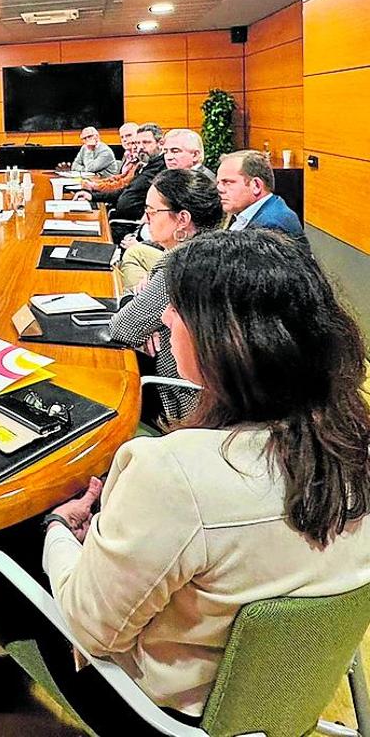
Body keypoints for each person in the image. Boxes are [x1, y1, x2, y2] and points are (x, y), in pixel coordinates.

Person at [38, 229, 370, 735]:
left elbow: (90, 631)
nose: (166, 319)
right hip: (296, 695)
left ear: (228, 340)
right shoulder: (354, 439)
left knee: (16, 546)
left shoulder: (172, 474)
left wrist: (59, 529)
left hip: (157, 715)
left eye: (179, 312)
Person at [109, 168, 223, 425]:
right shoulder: (217, 248)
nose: (144, 219)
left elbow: (122, 329)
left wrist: (136, 307)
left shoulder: (180, 264)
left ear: (182, 219)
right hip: (218, 397)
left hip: (183, 405)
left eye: (151, 211)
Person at [117, 128, 217, 275]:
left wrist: (141, 244)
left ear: (195, 155)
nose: (168, 157)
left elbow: (189, 237)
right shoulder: (178, 176)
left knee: (133, 255)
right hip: (156, 242)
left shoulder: (199, 184)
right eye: (166, 151)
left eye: (175, 151)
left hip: (184, 261)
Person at [77, 123, 166, 242]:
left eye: (146, 142)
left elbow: (121, 185)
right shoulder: (146, 164)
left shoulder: (161, 168)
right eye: (138, 143)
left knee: (85, 238)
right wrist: (92, 196)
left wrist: (95, 189)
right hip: (120, 218)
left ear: (160, 143)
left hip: (129, 225)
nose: (140, 147)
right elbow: (125, 189)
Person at [216, 150, 305, 238]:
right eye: (218, 183)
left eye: (227, 182)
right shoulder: (252, 212)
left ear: (256, 186)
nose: (219, 189)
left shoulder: (271, 226)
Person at [82, 122, 140, 193]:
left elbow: (124, 183)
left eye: (128, 135)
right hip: (115, 191)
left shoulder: (140, 157)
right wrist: (95, 182)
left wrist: (95, 185)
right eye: (122, 137)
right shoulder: (127, 155)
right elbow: (119, 177)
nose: (124, 139)